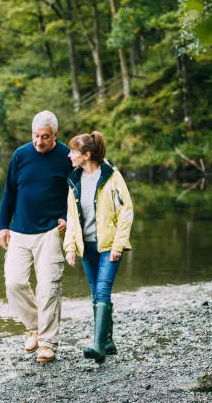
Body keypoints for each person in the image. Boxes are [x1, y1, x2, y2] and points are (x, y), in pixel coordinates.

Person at [0, 110, 73, 363]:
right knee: (14, 283)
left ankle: (48, 343)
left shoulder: (66, 157)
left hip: (51, 231)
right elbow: (9, 192)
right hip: (19, 230)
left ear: (55, 135)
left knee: (49, 287)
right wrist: (2, 226)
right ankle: (35, 328)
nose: (39, 141)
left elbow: (76, 193)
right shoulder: (20, 155)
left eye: (45, 137)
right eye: (35, 136)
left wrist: (67, 217)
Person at [63, 131, 134, 364]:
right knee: (96, 293)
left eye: (74, 151)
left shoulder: (112, 176)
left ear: (87, 154)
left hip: (109, 246)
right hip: (87, 247)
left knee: (102, 290)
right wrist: (70, 247)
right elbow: (72, 218)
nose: (69, 155)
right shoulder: (74, 180)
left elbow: (126, 212)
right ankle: (108, 342)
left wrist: (119, 244)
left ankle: (97, 345)